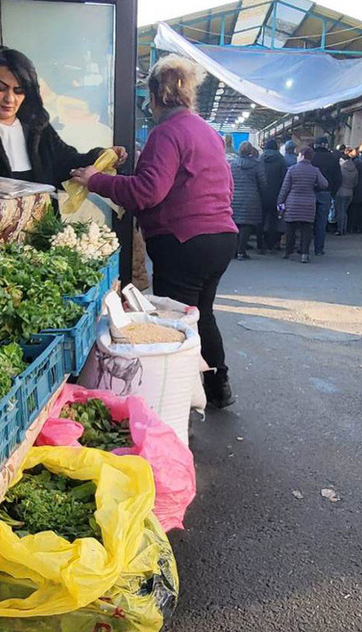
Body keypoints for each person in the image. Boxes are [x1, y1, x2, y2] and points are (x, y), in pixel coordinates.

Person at [69, 55, 238, 409]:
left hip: (183, 242)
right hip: (221, 237)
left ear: (156, 95)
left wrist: (96, 180)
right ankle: (217, 386)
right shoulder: (207, 132)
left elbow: (148, 191)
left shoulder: (166, 133)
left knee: (174, 325)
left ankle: (177, 405)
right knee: (201, 313)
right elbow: (222, 185)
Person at [0, 46, 126, 187]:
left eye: (18, 91)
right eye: (0, 88)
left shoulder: (37, 126)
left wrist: (101, 155)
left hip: (40, 225)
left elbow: (67, 161)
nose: (9, 99)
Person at [278, 147, 327, 264]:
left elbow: (285, 189)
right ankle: (305, 254)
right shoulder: (315, 170)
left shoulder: (292, 169)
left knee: (290, 229)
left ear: (301, 156)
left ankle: (289, 252)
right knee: (306, 230)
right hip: (308, 204)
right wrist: (314, 184)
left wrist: (280, 204)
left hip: (292, 203)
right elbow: (325, 184)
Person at [230, 141, 267, 259]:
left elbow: (228, 181)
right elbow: (263, 182)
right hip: (251, 198)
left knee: (235, 224)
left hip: (234, 198)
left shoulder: (232, 164)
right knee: (247, 225)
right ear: (250, 151)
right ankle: (241, 251)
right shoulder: (257, 164)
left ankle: (234, 251)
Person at [310, 136, 341, 255]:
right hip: (325, 193)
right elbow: (338, 178)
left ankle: (304, 247)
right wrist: (332, 192)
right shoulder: (332, 158)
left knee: (307, 222)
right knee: (321, 222)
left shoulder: (311, 157)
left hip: (310, 192)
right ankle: (319, 249)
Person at [259, 138, 288, 250]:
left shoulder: (260, 158)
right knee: (276, 218)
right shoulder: (281, 159)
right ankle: (273, 243)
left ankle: (261, 243)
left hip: (262, 195)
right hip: (278, 196)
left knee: (261, 219)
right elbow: (284, 179)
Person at [334, 147, 358, 236]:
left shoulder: (341, 169)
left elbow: (338, 181)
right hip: (350, 192)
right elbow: (356, 182)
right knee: (345, 211)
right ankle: (344, 228)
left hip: (341, 191)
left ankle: (340, 229)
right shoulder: (355, 169)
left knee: (340, 212)